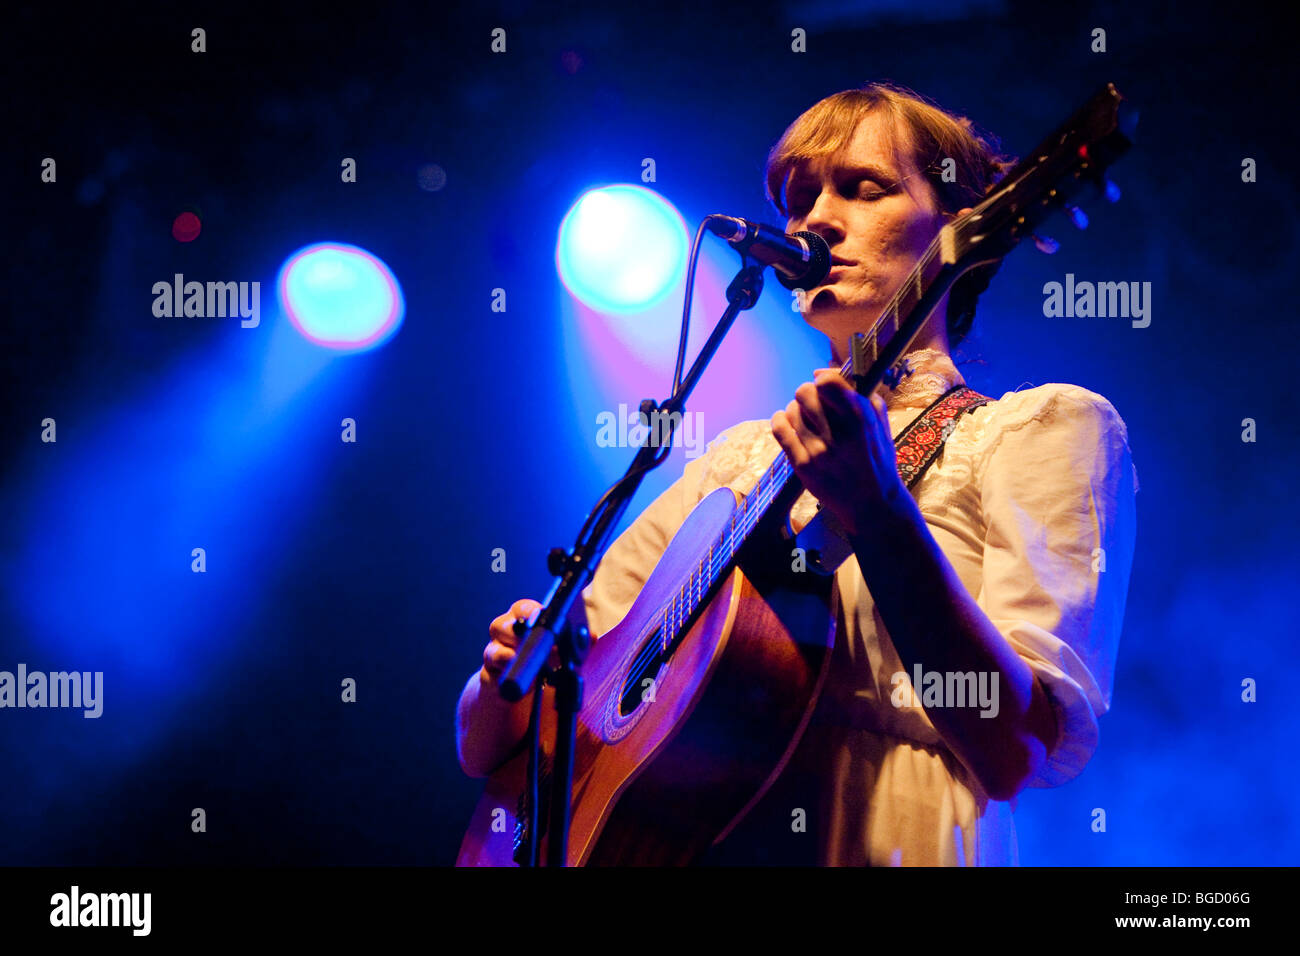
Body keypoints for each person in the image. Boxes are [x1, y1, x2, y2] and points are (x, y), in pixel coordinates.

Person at [456, 82, 1138, 866]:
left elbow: (1017, 748)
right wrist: (510, 681)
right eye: (799, 196)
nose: (812, 220)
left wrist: (882, 514)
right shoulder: (736, 463)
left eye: (863, 188)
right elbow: (514, 739)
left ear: (956, 221)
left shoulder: (1041, 428)